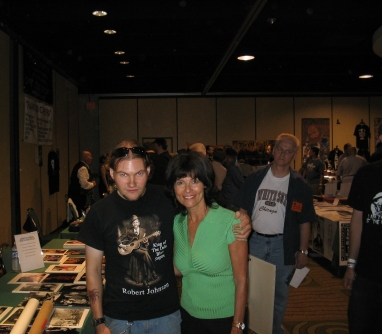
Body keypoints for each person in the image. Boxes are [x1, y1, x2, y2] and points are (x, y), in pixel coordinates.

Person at [77, 139, 251, 334]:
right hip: (121, 318)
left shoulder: (168, 200)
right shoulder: (99, 213)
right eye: (124, 174)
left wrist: (242, 218)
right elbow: (92, 271)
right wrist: (99, 321)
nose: (132, 182)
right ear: (111, 174)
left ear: (149, 172)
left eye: (139, 174)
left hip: (167, 316)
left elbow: (202, 208)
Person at [233, 133, 315, 334]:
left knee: (279, 294)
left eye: (288, 151)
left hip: (283, 246)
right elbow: (242, 211)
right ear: (273, 150)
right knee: (250, 292)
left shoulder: (299, 185)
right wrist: (238, 241)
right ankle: (248, 328)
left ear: (294, 155)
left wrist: (303, 252)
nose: (283, 154)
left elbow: (305, 221)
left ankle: (273, 329)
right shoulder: (255, 178)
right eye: (280, 149)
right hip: (255, 242)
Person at [165, 151, 248, 334]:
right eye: (180, 182)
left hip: (225, 319)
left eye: (194, 181)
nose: (188, 190)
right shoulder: (177, 223)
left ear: (205, 183)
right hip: (188, 316)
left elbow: (241, 279)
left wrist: (237, 325)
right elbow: (180, 268)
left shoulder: (230, 222)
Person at [343, 159, 382, 333]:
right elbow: (357, 222)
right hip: (367, 268)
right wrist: (351, 265)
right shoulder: (367, 173)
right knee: (360, 324)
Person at [68, 150, 97, 215]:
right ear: (85, 158)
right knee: (80, 213)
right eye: (90, 156)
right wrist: (93, 184)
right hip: (79, 196)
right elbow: (84, 184)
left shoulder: (79, 166)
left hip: (77, 195)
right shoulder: (82, 168)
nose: (92, 158)